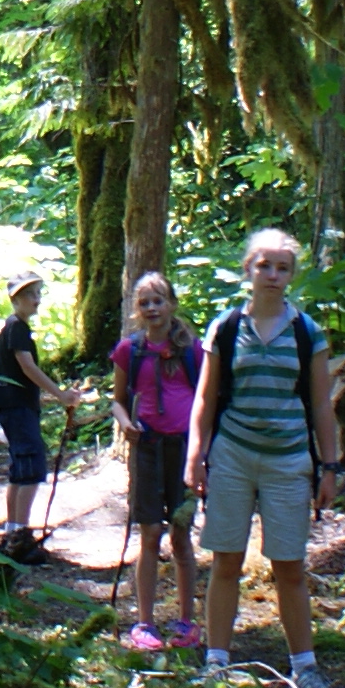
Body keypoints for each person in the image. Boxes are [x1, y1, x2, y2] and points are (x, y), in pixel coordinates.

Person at [184, 228, 345, 688]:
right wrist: (196, 454)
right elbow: (206, 398)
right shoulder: (227, 327)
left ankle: (305, 667)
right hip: (232, 455)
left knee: (290, 565)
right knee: (226, 560)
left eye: (282, 268)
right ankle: (216, 662)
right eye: (264, 266)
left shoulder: (306, 332)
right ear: (248, 270)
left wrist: (329, 467)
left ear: (292, 274)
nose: (273, 275)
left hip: (290, 460)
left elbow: (320, 405)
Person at [108, 272, 203, 652]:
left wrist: (203, 455)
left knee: (180, 535)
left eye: (158, 300)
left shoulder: (192, 352)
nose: (152, 308)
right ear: (137, 310)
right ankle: (144, 623)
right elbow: (117, 400)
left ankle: (186, 621)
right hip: (146, 449)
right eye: (144, 302)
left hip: (182, 450)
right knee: (149, 534)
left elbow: (204, 402)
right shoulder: (129, 351)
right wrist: (126, 423)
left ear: (172, 304)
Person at [0, 274, 71, 561]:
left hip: (16, 407)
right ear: (15, 299)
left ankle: (13, 533)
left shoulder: (14, 328)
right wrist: (60, 395)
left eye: (38, 293)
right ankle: (20, 538)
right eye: (29, 295)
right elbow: (27, 367)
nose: (36, 299)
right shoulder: (17, 329)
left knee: (20, 470)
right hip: (18, 408)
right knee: (30, 470)